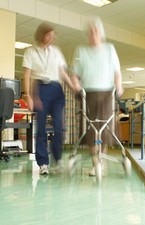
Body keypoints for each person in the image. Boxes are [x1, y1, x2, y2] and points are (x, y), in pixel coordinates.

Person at [71, 16, 123, 176]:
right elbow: (74, 74)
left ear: (101, 33)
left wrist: (119, 86)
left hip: (107, 93)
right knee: (91, 131)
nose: (93, 34)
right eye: (90, 31)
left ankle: (101, 161)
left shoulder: (109, 49)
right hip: (88, 94)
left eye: (96, 31)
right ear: (87, 34)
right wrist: (76, 85)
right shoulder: (81, 50)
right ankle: (96, 163)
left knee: (105, 129)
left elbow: (117, 72)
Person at [23, 22, 75, 175]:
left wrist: (72, 85)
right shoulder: (30, 52)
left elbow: (62, 73)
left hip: (57, 90)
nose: (52, 38)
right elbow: (26, 75)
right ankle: (43, 163)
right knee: (41, 130)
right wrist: (29, 96)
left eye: (53, 35)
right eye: (48, 35)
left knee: (59, 127)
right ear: (41, 35)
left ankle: (58, 159)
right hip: (41, 89)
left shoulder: (57, 52)